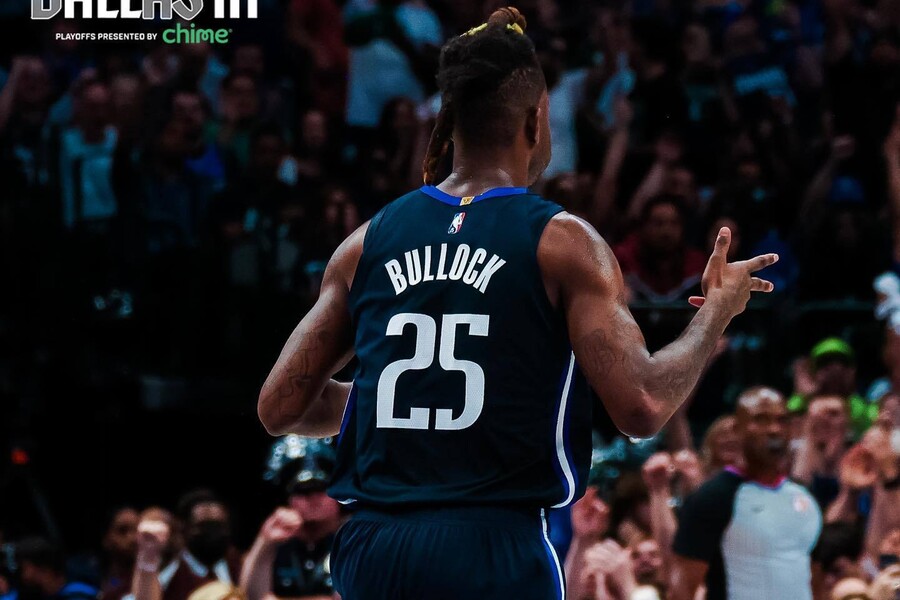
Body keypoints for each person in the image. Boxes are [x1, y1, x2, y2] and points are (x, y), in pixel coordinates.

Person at [257, 7, 778, 598]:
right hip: (492, 548)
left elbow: (280, 406)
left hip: (374, 548)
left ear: (451, 122)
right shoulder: (562, 242)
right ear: (537, 119)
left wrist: (399, 396)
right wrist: (717, 309)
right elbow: (642, 405)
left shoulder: (366, 242)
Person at [669, 387, 823, 600]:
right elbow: (682, 591)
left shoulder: (804, 497)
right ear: (736, 429)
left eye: (782, 420)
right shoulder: (712, 498)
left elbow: (814, 581)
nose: (774, 430)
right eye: (761, 420)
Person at [240, 436, 342, 600]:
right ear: (287, 499)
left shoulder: (355, 536)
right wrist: (264, 543)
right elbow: (252, 596)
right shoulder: (273, 541)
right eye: (303, 491)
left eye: (322, 489)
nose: (314, 499)